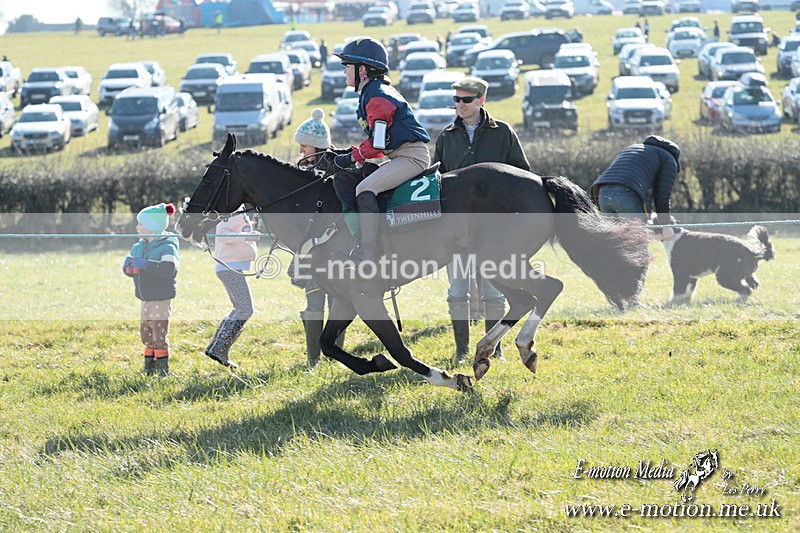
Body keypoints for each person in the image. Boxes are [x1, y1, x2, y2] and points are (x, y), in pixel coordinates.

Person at [431, 76, 531, 363]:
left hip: (494, 228)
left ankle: (494, 349)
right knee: (457, 289)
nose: (460, 105)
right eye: (456, 100)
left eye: (466, 99)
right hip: (456, 229)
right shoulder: (447, 136)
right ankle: (462, 350)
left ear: (481, 100)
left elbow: (523, 174)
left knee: (494, 289)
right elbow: (436, 179)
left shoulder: (504, 133)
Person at [331, 37, 431, 265]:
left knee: (364, 188)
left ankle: (367, 253)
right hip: (399, 155)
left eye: (348, 66)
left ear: (362, 70)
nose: (345, 71)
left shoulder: (376, 96)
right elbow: (380, 144)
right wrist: (351, 154)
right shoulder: (372, 92)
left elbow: (376, 143)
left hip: (411, 157)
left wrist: (352, 157)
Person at [292, 108, 346, 365]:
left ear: (317, 145)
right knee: (314, 303)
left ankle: (334, 358)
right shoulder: (301, 172)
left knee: (337, 304)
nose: (301, 151)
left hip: (336, 252)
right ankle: (313, 360)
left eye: (304, 146)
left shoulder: (339, 170)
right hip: (310, 252)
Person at [122, 203, 179, 377]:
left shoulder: (167, 246)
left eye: (141, 224)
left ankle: (162, 370)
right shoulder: (138, 246)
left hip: (160, 297)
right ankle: (149, 368)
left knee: (158, 331)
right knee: (146, 332)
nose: (137, 227)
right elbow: (133, 268)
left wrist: (146, 265)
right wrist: (128, 268)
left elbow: (169, 270)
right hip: (145, 297)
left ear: (152, 227)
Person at [590, 135, 681, 242]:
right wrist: (666, 225)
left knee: (614, 244)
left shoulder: (633, 148)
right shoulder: (669, 159)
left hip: (602, 193)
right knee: (636, 245)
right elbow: (662, 196)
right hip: (626, 195)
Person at [205, 212, 259, 369]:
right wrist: (247, 237)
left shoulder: (238, 213)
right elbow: (223, 235)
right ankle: (219, 349)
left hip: (231, 267)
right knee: (245, 309)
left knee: (240, 308)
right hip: (229, 267)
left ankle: (215, 347)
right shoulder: (230, 213)